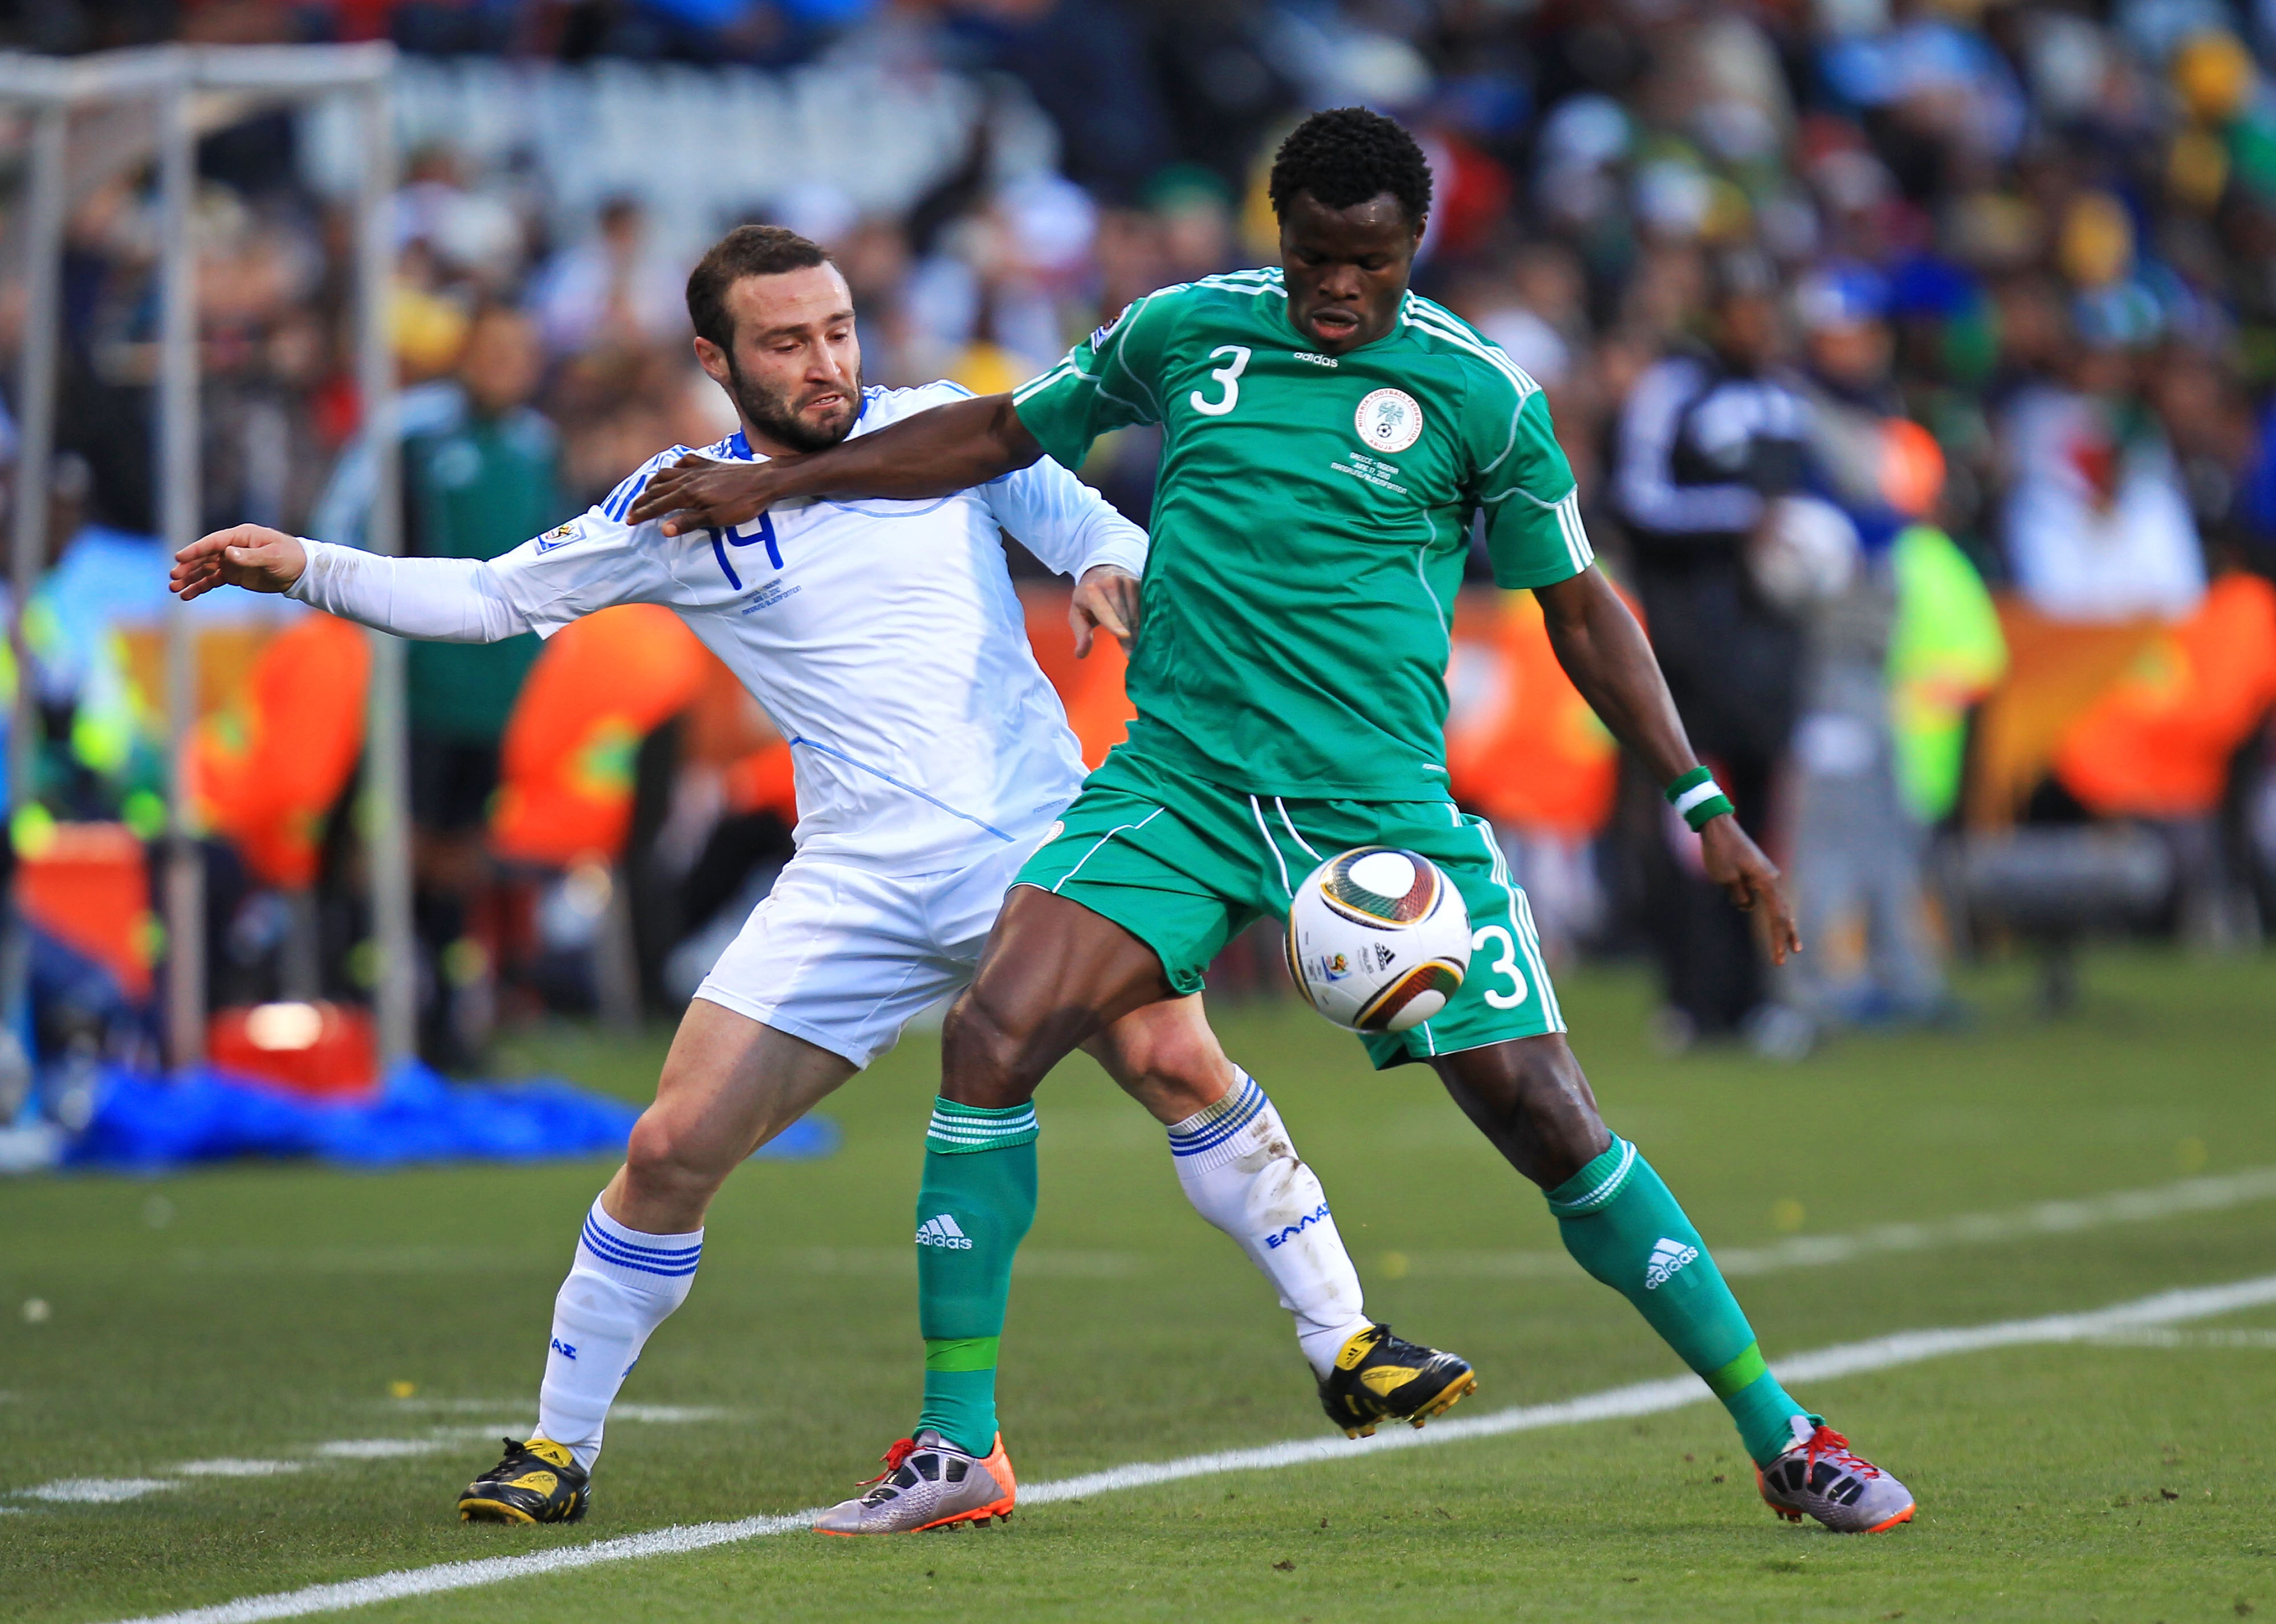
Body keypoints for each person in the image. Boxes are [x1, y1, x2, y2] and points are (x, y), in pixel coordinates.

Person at [634, 109, 1917, 1537]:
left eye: (1363, 263)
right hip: (1175, 785)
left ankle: (1783, 1434)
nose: (1333, 290)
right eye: (1311, 256)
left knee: (1548, 1120)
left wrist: (1699, 800)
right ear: (1280, 234)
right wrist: (778, 478)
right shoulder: (1185, 332)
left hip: (1376, 825)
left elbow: (1576, 607)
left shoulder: (1479, 393)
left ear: (1409, 248)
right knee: (991, 1035)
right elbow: (1000, 433)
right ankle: (957, 1448)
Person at [169, 225, 1469, 1532]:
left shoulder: (948, 433)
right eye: (786, 343)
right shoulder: (679, 504)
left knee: (1182, 1069)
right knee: (671, 1147)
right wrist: (311, 569)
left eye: (837, 329)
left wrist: (1102, 570)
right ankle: (555, 1453)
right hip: (853, 884)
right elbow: (494, 597)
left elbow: (1091, 521)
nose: (824, 361)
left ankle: (1347, 1343)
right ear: (715, 359)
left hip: (1040, 850)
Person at [1611, 247, 1815, 1052]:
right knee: (1691, 821)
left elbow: (1815, 501)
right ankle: (1691, 996)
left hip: (1772, 643)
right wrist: (1738, 515)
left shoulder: (1785, 399)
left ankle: (1759, 996)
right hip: (1693, 646)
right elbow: (1638, 498)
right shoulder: (1672, 390)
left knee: (1766, 825)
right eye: (1742, 309)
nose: (1756, 325)